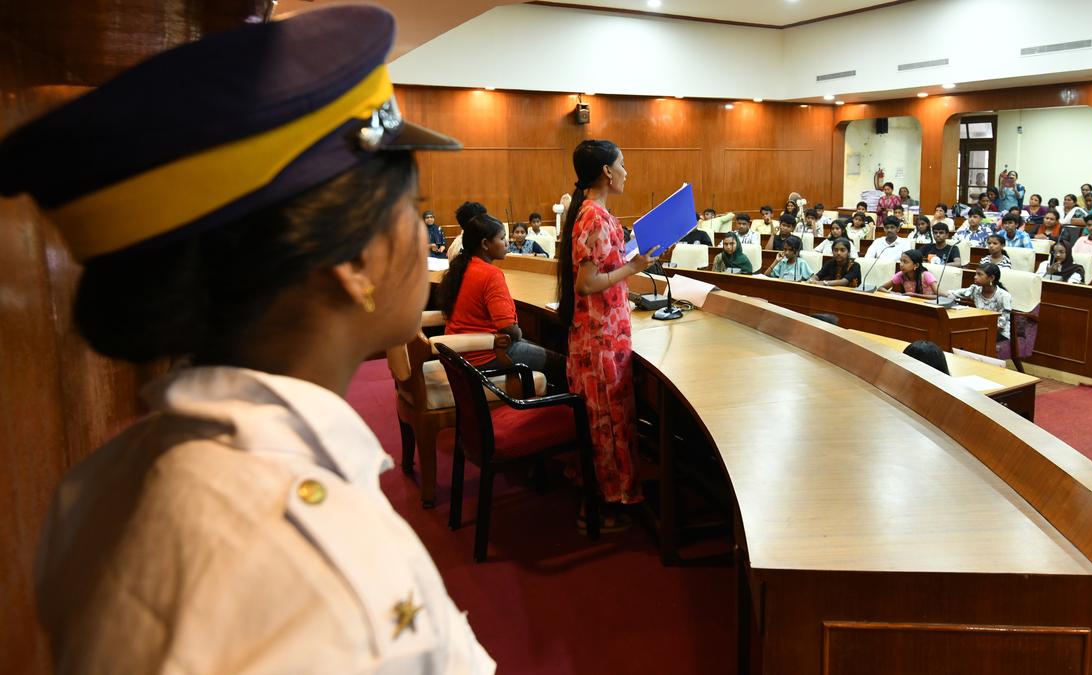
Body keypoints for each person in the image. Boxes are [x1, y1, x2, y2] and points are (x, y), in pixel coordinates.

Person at [0, 6, 495, 673]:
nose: (420, 231)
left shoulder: (115, 474)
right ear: (353, 262)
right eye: (410, 208)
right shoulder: (318, 580)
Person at [556, 139, 660, 525]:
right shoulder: (595, 217)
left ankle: (605, 496)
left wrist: (631, 261)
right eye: (622, 164)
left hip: (601, 332)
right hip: (601, 337)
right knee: (608, 421)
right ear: (605, 171)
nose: (626, 172)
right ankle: (605, 503)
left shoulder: (589, 212)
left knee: (607, 419)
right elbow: (587, 283)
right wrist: (634, 268)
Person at [442, 214, 566, 388]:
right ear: (485, 244)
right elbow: (508, 327)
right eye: (502, 238)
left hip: (460, 353)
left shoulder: (463, 266)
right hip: (487, 354)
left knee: (538, 347)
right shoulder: (490, 274)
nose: (507, 243)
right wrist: (519, 334)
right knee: (564, 364)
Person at [944, 263, 1013, 344]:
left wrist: (980, 331)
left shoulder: (1004, 296)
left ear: (991, 278)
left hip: (999, 333)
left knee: (969, 339)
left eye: (979, 274)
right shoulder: (975, 290)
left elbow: (1001, 325)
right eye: (976, 274)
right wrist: (936, 291)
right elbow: (953, 293)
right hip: (981, 329)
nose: (975, 277)